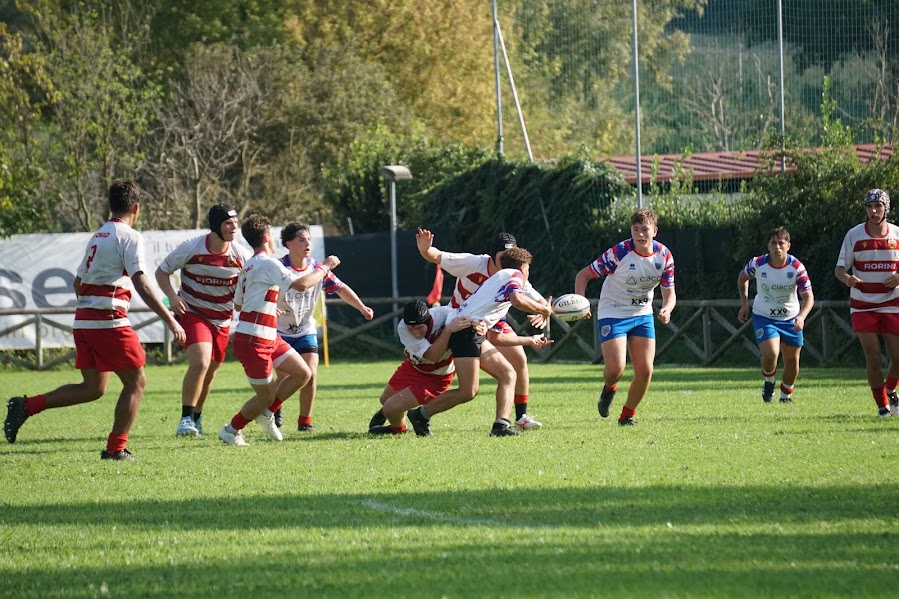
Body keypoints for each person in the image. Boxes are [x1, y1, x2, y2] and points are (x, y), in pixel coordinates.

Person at [4, 180, 186, 460]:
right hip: (108, 320)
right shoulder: (129, 236)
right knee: (136, 382)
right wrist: (171, 320)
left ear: (109, 206)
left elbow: (78, 283)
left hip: (85, 320)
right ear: (136, 208)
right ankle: (116, 448)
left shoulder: (99, 235)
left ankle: (26, 406)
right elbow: (142, 283)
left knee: (93, 388)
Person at [406, 247, 554, 437]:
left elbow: (495, 337)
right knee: (468, 391)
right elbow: (518, 300)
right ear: (524, 267)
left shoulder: (499, 283)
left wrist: (529, 340)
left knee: (508, 374)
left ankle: (501, 425)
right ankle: (420, 414)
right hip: (463, 331)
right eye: (528, 269)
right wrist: (544, 310)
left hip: (470, 330)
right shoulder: (513, 275)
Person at [217, 214, 338, 446]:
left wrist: (268, 308)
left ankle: (266, 413)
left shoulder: (249, 265)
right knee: (266, 395)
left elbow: (241, 304)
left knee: (303, 374)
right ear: (265, 237)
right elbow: (302, 285)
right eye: (271, 234)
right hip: (254, 339)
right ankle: (231, 430)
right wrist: (325, 267)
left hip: (268, 335)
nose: (274, 238)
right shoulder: (267, 263)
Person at [574, 208, 676, 426]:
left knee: (646, 370)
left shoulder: (664, 256)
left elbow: (670, 292)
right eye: (635, 230)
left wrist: (667, 308)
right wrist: (581, 303)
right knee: (615, 369)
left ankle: (627, 415)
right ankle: (609, 389)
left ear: (655, 231)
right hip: (613, 312)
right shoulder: (619, 252)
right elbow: (584, 275)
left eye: (644, 230)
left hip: (642, 314)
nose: (639, 235)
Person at [155, 204, 250, 437]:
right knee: (201, 361)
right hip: (193, 313)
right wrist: (172, 297)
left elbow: (252, 283)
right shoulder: (192, 247)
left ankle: (196, 418)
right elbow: (161, 272)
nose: (234, 227)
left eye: (236, 222)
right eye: (229, 223)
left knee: (211, 371)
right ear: (216, 225)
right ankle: (185, 419)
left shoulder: (240, 255)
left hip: (222, 320)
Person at [273, 222, 373, 432]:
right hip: (279, 332)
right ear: (289, 244)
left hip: (305, 330)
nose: (307, 243)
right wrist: (270, 308)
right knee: (284, 376)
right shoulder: (278, 268)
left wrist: (361, 307)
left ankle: (305, 421)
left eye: (309, 239)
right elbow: (272, 292)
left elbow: (340, 288)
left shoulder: (316, 269)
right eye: (301, 239)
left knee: (310, 373)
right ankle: (274, 407)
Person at [368, 300, 482, 434]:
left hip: (436, 377)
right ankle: (399, 425)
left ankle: (397, 430)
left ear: (428, 321)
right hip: (413, 367)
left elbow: (472, 318)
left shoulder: (445, 314)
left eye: (419, 327)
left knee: (390, 408)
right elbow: (432, 356)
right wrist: (448, 330)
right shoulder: (403, 328)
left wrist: (482, 325)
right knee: (384, 400)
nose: (415, 332)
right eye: (411, 327)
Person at [834, 188, 899, 418]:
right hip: (863, 303)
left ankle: (890, 389)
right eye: (870, 207)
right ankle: (882, 407)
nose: (873, 211)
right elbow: (839, 269)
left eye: (878, 207)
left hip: (893, 302)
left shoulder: (897, 234)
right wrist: (848, 279)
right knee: (872, 354)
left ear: (886, 209)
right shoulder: (854, 235)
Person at [738, 227, 814, 403]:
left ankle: (785, 396)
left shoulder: (796, 268)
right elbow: (742, 278)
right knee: (771, 353)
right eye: (774, 243)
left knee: (792, 362)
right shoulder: (757, 264)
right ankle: (769, 381)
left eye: (781, 243)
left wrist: (801, 317)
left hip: (791, 318)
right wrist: (744, 304)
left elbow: (808, 297)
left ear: (788, 245)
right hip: (764, 316)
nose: (777, 247)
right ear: (768, 246)